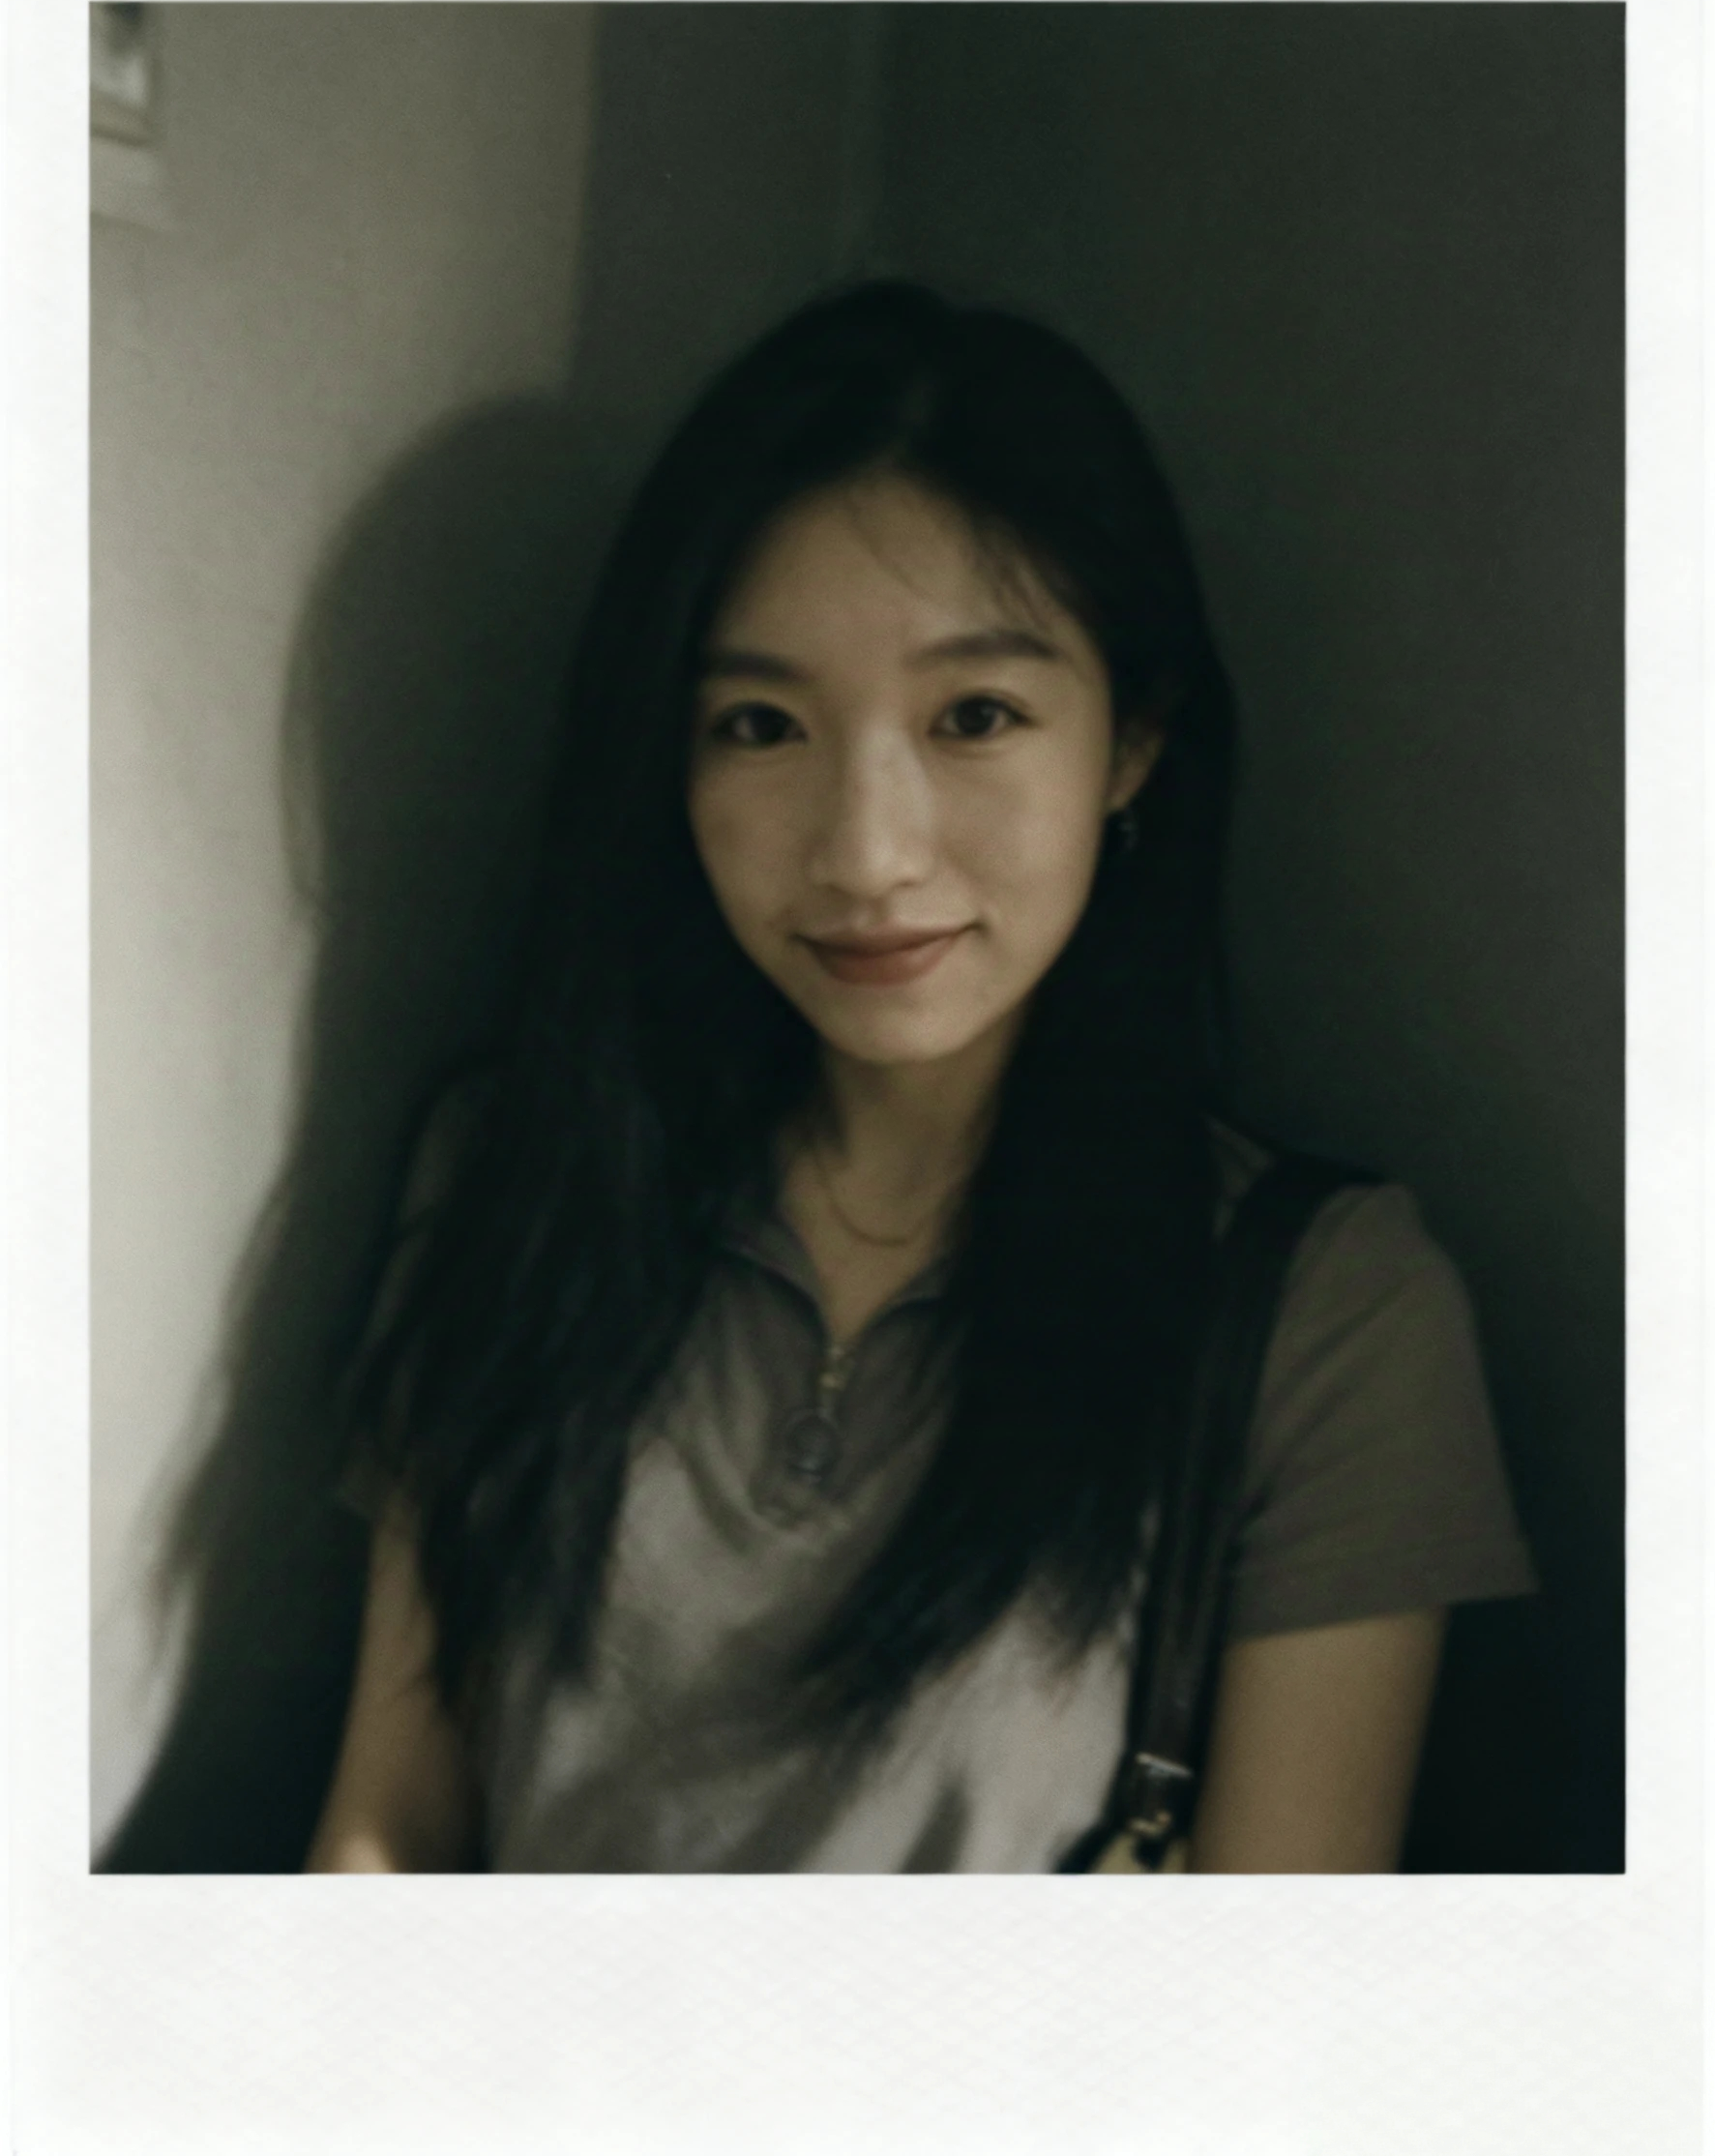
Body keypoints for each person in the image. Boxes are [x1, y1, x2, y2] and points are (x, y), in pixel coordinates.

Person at [307, 281, 1535, 1875]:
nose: (866, 852)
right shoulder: (518, 1171)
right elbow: (387, 1830)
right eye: (762, 724)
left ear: (1132, 743)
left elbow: (1275, 1995)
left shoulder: (1325, 1309)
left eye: (976, 715)